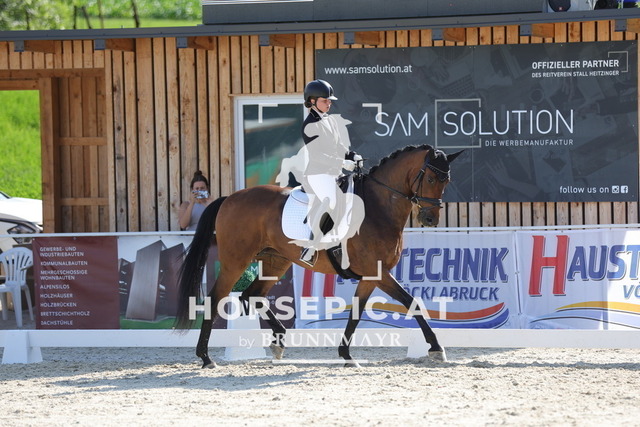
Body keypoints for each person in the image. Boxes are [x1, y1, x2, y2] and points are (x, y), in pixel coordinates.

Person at [296, 79, 363, 266]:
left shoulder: (330, 121)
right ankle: (310, 247)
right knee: (332, 201)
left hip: (334, 172)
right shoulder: (309, 125)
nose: (329, 103)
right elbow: (317, 155)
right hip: (318, 174)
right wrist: (342, 163)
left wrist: (352, 155)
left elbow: (340, 146)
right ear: (312, 101)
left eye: (329, 100)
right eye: (324, 100)